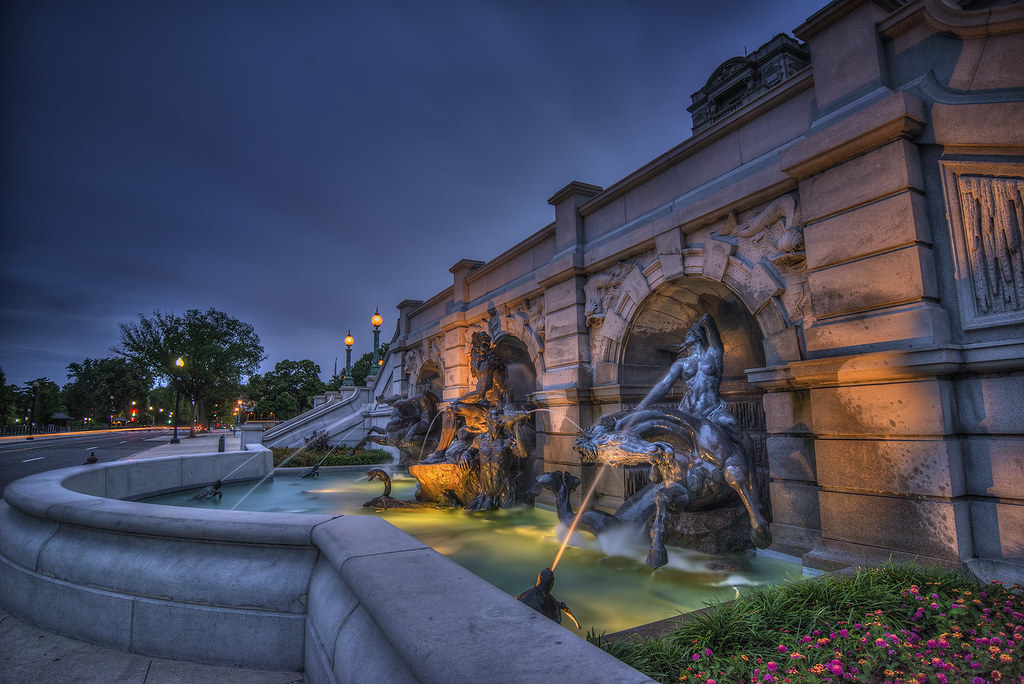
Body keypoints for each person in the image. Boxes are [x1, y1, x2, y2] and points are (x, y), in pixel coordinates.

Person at [427, 332, 507, 461]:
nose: (474, 353)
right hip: (489, 407)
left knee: (452, 411)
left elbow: (479, 394)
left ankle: (440, 452)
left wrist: (457, 401)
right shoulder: (488, 364)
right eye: (477, 348)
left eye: (477, 348)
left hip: (493, 411)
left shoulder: (487, 365)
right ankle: (445, 449)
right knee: (456, 410)